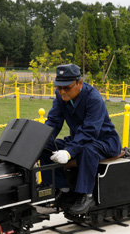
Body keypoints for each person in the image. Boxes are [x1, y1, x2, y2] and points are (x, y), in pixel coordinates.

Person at [44, 63, 121, 214]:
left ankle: (86, 195)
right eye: (59, 88)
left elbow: (90, 131)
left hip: (104, 141)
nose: (62, 92)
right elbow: (53, 122)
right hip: (78, 139)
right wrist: (39, 141)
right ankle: (62, 189)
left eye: (67, 88)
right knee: (46, 147)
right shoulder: (60, 97)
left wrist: (68, 152)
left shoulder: (94, 98)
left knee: (88, 149)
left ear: (79, 83)